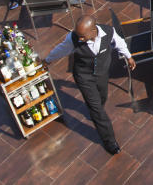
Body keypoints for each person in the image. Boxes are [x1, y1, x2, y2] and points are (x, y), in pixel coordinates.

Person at [43, 15, 135, 154]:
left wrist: (129, 57)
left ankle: (96, 112)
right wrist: (48, 60)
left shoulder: (108, 31)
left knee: (103, 97)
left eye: (82, 36)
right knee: (96, 109)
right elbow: (61, 49)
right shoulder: (73, 38)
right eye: (78, 36)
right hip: (84, 76)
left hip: (102, 73)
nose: (80, 39)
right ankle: (109, 140)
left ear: (93, 30)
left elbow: (120, 43)